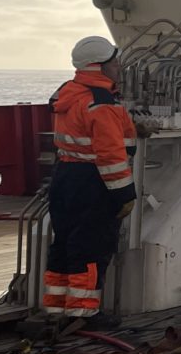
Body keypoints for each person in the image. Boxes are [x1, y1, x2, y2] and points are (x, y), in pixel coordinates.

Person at [43, 36, 138, 323]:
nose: (118, 66)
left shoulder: (67, 93)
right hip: (92, 181)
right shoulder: (102, 103)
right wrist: (125, 195)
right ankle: (84, 312)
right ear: (99, 67)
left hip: (64, 176)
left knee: (65, 242)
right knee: (91, 246)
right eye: (113, 62)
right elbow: (110, 156)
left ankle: (57, 306)